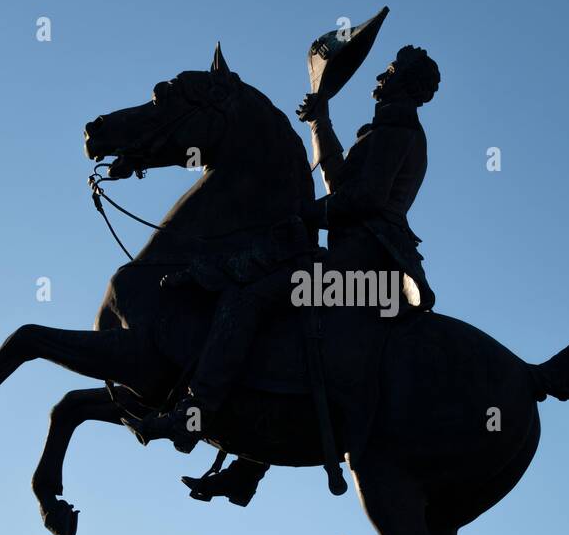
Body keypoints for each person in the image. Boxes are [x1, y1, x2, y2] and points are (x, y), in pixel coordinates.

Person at [138, 46, 441, 501]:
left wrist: (303, 216)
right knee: (282, 319)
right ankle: (249, 466)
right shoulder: (383, 130)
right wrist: (321, 121)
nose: (381, 76)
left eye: (392, 71)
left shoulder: (399, 130)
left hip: (365, 271)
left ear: (409, 85)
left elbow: (367, 199)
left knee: (251, 296)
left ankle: (192, 414)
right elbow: (340, 182)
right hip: (349, 262)